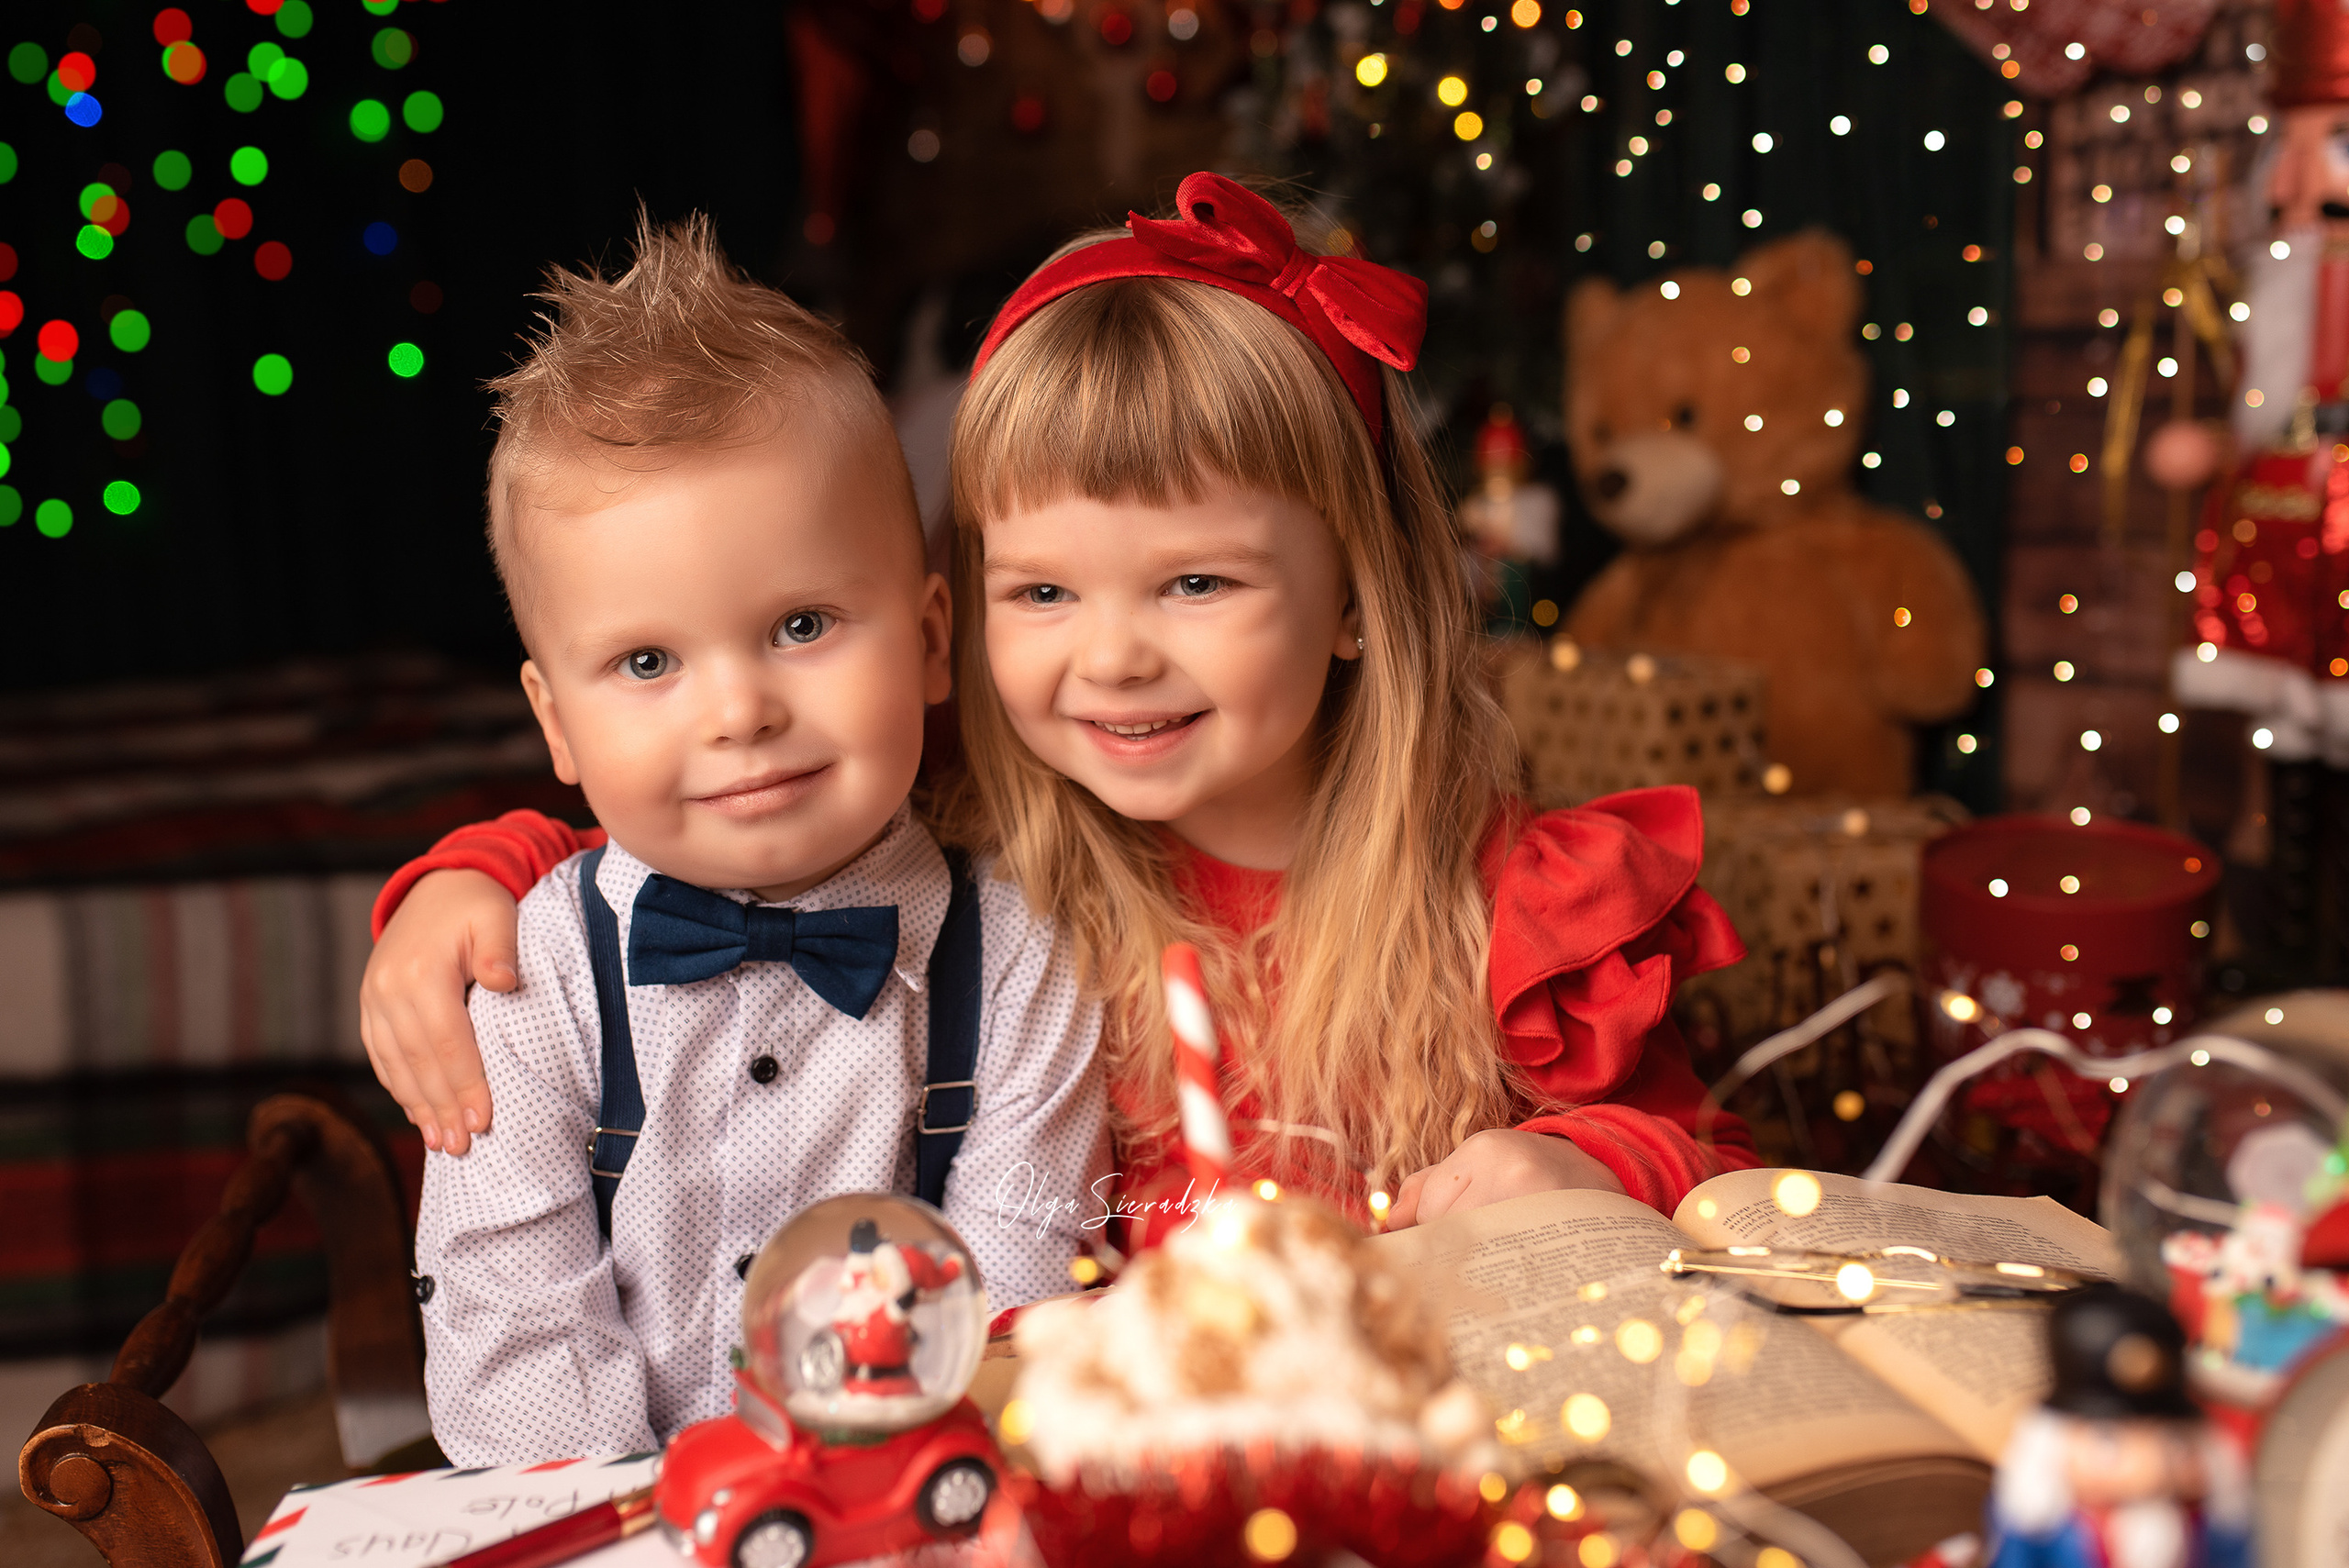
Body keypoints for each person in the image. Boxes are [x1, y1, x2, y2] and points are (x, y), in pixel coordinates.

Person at [362, 174, 1754, 1247]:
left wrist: (1577, 1162)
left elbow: (1736, 1182)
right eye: (1042, 593)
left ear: (1355, 595)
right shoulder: (966, 836)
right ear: (952, 619)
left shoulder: (1506, 907)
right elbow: (707, 828)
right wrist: (470, 876)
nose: (1115, 658)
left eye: (1195, 581)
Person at [411, 215, 1105, 1464]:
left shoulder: (1017, 958)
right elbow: (516, 1376)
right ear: (556, 723)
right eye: (646, 660)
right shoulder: (530, 981)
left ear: (934, 638)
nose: (739, 711)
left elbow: (1020, 1326)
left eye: (800, 625)